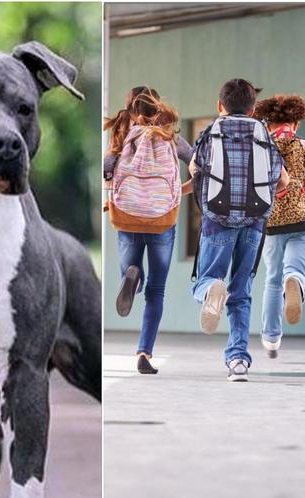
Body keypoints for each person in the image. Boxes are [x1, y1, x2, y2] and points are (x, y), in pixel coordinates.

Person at [187, 79, 289, 381]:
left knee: (205, 279)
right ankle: (238, 361)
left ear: (220, 106)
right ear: (254, 107)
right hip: (255, 222)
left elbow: (195, 169)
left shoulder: (211, 132)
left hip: (217, 219)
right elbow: (282, 180)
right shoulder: (263, 134)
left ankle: (210, 290)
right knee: (241, 291)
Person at [104, 86, 193, 374]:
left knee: (129, 271)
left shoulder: (122, 136)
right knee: (157, 291)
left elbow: (107, 168)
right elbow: (197, 165)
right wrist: (179, 192)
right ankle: (144, 352)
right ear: (158, 108)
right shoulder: (170, 137)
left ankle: (133, 275)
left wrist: (109, 193)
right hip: (162, 219)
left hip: (128, 216)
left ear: (130, 109)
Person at [253, 94, 305, 359]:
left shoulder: (261, 147)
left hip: (271, 223)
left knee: (272, 279)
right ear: (297, 122)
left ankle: (271, 338)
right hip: (304, 219)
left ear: (267, 122)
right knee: (294, 269)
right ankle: (296, 281)